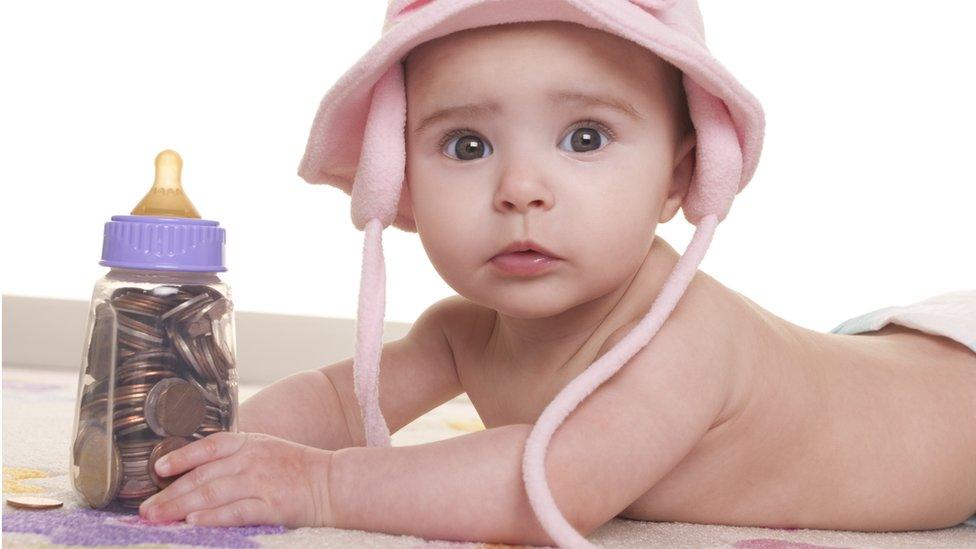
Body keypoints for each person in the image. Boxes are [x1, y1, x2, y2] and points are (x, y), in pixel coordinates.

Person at [138, 1, 976, 546]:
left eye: (584, 137)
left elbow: (548, 485)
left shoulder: (684, 341)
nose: (521, 189)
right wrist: (204, 451)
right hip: (874, 347)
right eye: (467, 146)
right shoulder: (463, 335)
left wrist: (317, 484)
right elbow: (332, 398)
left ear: (682, 178)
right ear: (396, 184)